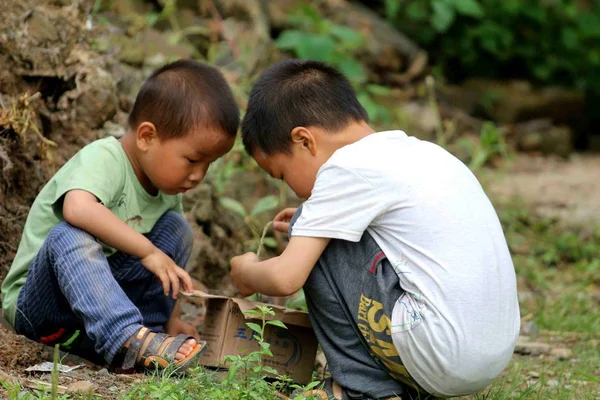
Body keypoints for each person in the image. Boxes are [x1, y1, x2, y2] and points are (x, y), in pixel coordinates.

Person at [230, 59, 520, 399]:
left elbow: (285, 278)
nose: (294, 190)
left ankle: (362, 390)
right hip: (489, 353)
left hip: (441, 352)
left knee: (309, 231)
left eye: (281, 174)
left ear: (305, 141)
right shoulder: (425, 154)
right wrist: (318, 218)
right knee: (315, 227)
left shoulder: (345, 169)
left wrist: (247, 272)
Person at [1, 59, 240, 373]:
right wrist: (147, 251)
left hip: (93, 316)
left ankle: (148, 335)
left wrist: (174, 320)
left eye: (209, 164)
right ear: (146, 136)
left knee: (177, 229)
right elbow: (78, 208)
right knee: (69, 233)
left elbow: (166, 265)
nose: (199, 175)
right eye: (193, 159)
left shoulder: (167, 190)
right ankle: (127, 336)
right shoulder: (104, 158)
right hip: (44, 310)